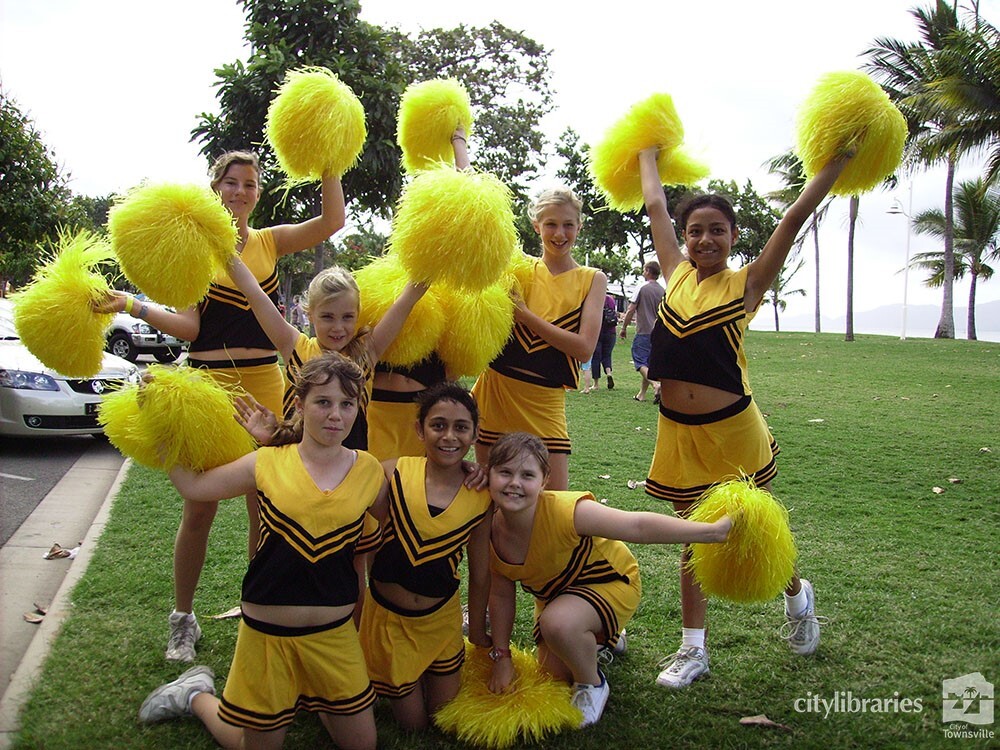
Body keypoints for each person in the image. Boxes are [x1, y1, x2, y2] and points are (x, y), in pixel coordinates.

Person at [94, 151, 345, 663]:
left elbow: (333, 221)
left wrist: (327, 159)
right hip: (209, 388)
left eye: (249, 184)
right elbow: (189, 327)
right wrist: (129, 304)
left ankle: (257, 604)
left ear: (258, 191)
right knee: (199, 509)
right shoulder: (197, 250)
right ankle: (182, 619)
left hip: (267, 384)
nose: (240, 192)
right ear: (215, 188)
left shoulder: (271, 241)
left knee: (268, 506)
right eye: (230, 183)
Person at [638, 144, 853, 688]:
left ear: (733, 236)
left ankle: (798, 598)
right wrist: (645, 149)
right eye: (695, 231)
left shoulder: (748, 284)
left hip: (734, 431)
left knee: (752, 534)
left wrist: (838, 161)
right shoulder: (674, 275)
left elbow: (794, 215)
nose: (704, 239)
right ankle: (693, 650)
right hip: (677, 432)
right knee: (691, 538)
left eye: (717, 230)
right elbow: (656, 205)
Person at [138, 353, 386, 750]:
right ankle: (196, 695)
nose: (336, 415)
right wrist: (159, 419)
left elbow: (406, 516)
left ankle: (314, 693)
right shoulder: (266, 461)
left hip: (334, 637)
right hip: (267, 635)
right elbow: (195, 488)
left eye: (347, 403)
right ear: (299, 404)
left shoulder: (370, 471)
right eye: (323, 402)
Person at [485, 432, 730, 727]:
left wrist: (711, 532)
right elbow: (500, 596)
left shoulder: (566, 511)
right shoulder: (487, 530)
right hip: (557, 597)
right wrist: (502, 658)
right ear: (489, 473)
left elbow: (636, 527)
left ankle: (592, 683)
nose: (514, 483)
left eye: (527, 474)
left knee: (559, 625)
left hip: (609, 581)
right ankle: (603, 638)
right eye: (505, 472)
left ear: (545, 480)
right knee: (552, 676)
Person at [358, 382, 492, 731]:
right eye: (438, 425)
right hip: (390, 622)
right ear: (419, 429)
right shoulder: (393, 471)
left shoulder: (482, 495)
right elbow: (337, 469)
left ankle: (423, 676)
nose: (449, 436)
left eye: (461, 427)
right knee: (413, 726)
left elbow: (480, 573)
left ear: (476, 434)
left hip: (440, 621)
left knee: (443, 719)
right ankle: (393, 676)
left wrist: (477, 630)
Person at [472, 188, 607, 490]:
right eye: (551, 224)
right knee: (490, 497)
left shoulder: (592, 279)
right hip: (496, 393)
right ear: (536, 226)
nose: (560, 233)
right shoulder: (517, 267)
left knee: (553, 503)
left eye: (568, 224)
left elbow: (584, 348)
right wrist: (459, 144)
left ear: (580, 226)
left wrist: (525, 316)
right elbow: (480, 211)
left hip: (545, 402)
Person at [619, 261, 665, 403]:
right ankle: (642, 394)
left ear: (648, 271)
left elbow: (631, 309)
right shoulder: (662, 290)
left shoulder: (642, 287)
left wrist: (624, 327)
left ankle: (656, 385)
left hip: (644, 330)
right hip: (658, 332)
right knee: (648, 364)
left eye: (644, 270)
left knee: (639, 361)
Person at [589, 294, 617, 391]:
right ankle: (609, 374)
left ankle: (596, 384)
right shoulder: (611, 300)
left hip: (597, 332)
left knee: (596, 357)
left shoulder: (595, 298)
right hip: (611, 332)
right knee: (607, 355)